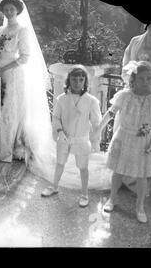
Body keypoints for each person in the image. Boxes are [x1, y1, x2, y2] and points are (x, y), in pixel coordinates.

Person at [0, 0, 54, 193]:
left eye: (11, 9)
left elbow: (24, 57)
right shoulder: (0, 29)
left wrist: (3, 69)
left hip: (14, 75)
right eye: (5, 9)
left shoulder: (22, 30)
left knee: (10, 112)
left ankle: (8, 148)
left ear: (17, 10)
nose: (8, 12)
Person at [96, 61, 151, 223]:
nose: (145, 82)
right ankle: (112, 199)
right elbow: (111, 113)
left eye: (149, 79)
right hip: (124, 138)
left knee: (142, 176)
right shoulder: (125, 96)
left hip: (144, 141)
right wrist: (98, 129)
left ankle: (140, 206)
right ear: (133, 79)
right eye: (142, 79)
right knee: (118, 171)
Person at [41, 66, 102, 207]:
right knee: (60, 163)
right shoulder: (62, 99)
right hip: (64, 137)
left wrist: (95, 140)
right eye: (74, 79)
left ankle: (84, 194)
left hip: (81, 139)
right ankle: (54, 186)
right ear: (69, 80)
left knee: (83, 167)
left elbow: (96, 123)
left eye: (81, 79)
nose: (77, 82)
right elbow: (56, 118)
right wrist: (60, 131)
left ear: (85, 82)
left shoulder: (91, 101)